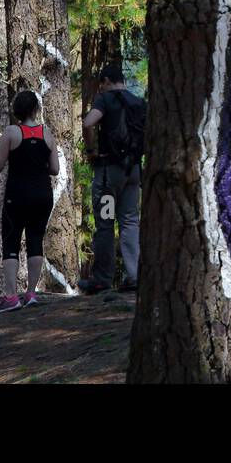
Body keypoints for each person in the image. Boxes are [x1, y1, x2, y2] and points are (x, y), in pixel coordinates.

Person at [0, 90, 59, 313]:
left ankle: (10, 297)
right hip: (43, 194)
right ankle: (31, 293)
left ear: (16, 110)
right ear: (36, 109)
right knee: (35, 239)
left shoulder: (11, 131)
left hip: (17, 194)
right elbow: (55, 170)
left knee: (11, 241)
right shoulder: (46, 133)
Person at [79, 62, 142, 294]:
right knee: (129, 221)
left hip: (108, 174)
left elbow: (88, 123)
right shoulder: (138, 102)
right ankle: (133, 275)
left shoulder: (105, 100)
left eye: (101, 84)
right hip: (133, 172)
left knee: (105, 223)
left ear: (106, 81)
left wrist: (90, 150)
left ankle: (102, 278)